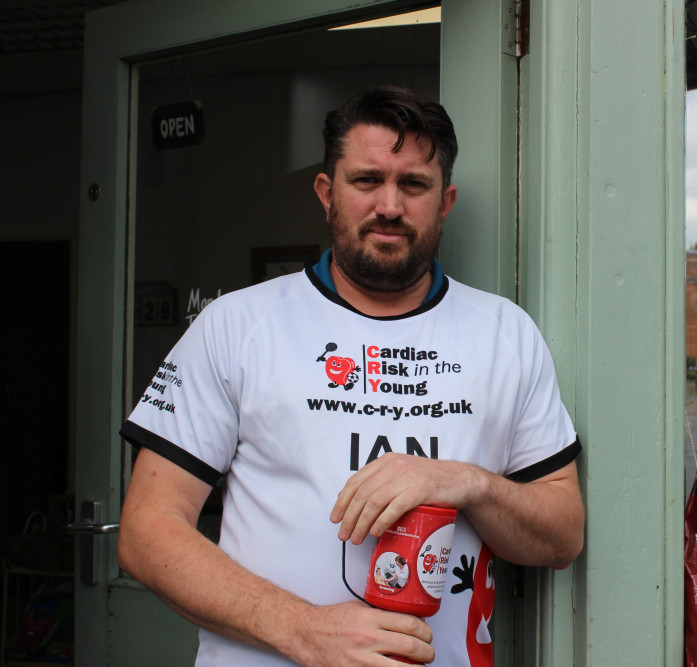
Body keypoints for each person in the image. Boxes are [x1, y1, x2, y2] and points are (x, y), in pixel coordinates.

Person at [117, 85, 584, 667]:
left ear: (446, 201)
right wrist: (303, 630)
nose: (390, 206)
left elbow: (563, 534)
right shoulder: (236, 325)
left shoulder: (505, 333)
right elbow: (146, 532)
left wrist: (469, 482)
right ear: (326, 192)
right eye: (366, 180)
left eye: (414, 184)